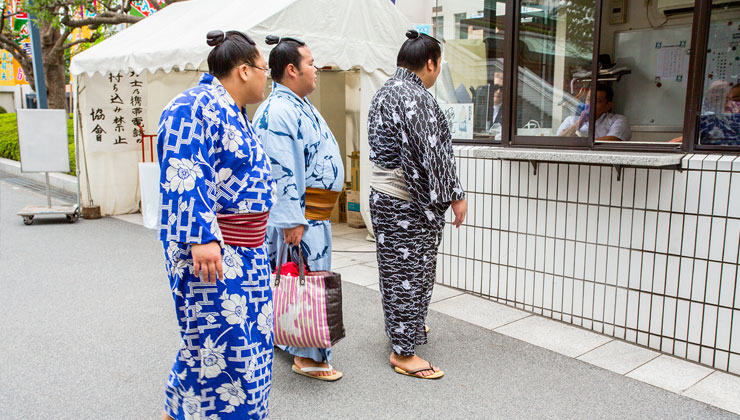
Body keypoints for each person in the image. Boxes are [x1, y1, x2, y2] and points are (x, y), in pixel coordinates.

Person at [157, 30, 275, 420]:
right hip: (215, 251)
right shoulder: (191, 106)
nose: (267, 77)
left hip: (247, 251)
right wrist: (201, 237)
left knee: (239, 346)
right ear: (243, 71)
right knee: (218, 349)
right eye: (264, 69)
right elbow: (184, 172)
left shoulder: (233, 111)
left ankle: (180, 413)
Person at [367, 29, 467, 379]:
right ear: (430, 63)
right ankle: (403, 352)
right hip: (405, 203)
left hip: (383, 197)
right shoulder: (416, 97)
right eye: (438, 65)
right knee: (410, 273)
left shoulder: (384, 92)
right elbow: (433, 155)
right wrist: (455, 195)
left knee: (394, 272)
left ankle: (403, 331)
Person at [253, 35, 344, 381]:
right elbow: (281, 169)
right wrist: (291, 218)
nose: (316, 69)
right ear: (291, 70)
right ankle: (307, 356)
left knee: (296, 280)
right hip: (300, 214)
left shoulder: (294, 104)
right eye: (310, 63)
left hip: (309, 213)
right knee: (304, 281)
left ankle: (291, 338)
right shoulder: (279, 110)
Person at [556, 83, 631, 141]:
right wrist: (579, 123)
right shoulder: (570, 120)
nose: (591, 104)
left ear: (608, 105)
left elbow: (613, 140)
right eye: (588, 99)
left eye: (597, 101)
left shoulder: (617, 120)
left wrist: (579, 142)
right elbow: (558, 141)